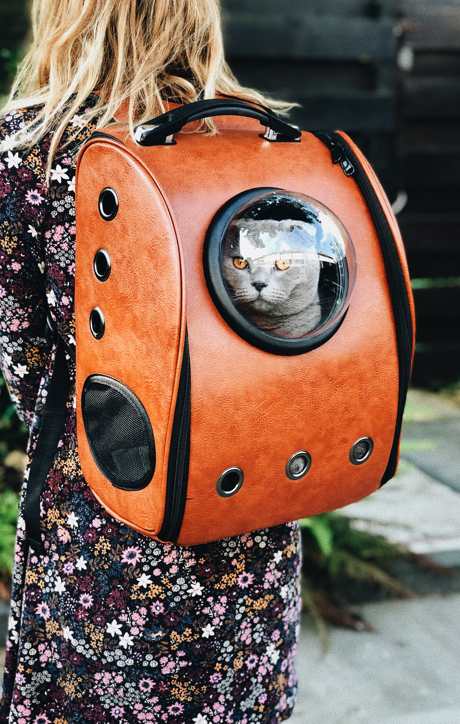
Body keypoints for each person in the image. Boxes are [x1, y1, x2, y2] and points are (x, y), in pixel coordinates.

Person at [0, 1, 301, 722]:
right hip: (253, 497)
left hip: (108, 517)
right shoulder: (262, 137)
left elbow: (28, 363)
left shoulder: (31, 150)